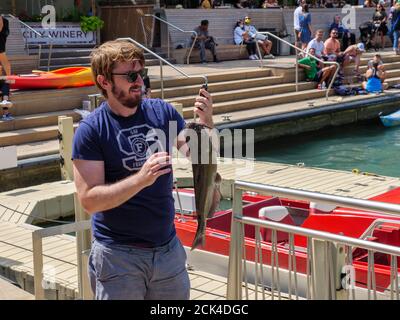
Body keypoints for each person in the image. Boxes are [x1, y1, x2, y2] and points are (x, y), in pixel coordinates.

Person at [72, 39, 215, 300]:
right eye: (130, 75)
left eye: (141, 73)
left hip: (167, 251)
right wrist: (141, 179)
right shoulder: (91, 130)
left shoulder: (162, 112)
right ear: (105, 82)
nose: (138, 80)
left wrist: (206, 124)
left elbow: (195, 154)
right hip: (118, 257)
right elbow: (89, 201)